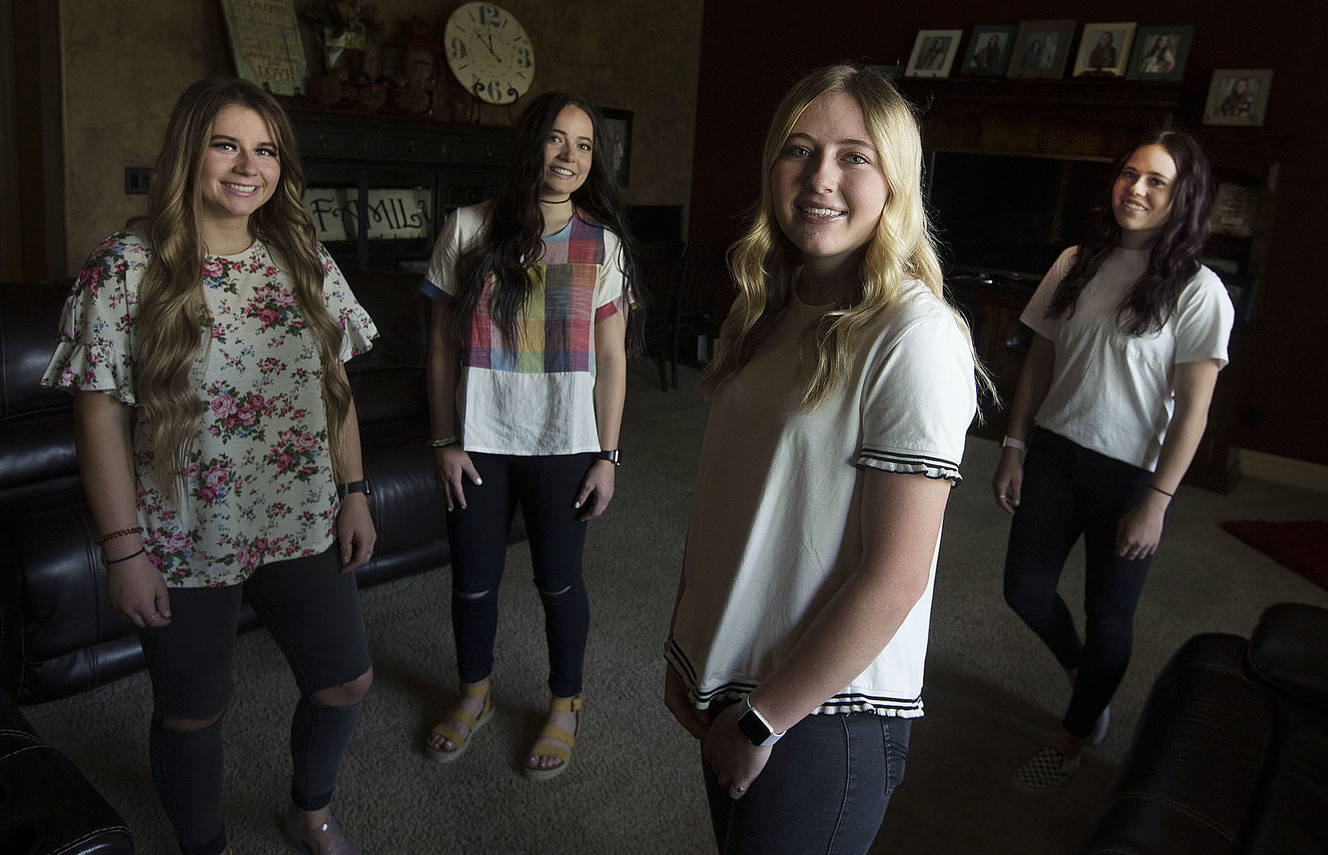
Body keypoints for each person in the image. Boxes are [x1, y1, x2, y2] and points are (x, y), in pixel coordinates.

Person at [43, 78, 378, 855]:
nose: (246, 166)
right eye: (226, 144)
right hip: (184, 530)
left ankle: (310, 808)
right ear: (190, 152)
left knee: (346, 680)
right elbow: (99, 416)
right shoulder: (125, 268)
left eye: (265, 149)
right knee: (194, 711)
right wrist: (123, 548)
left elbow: (335, 392)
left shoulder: (306, 259)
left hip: (302, 515)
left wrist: (355, 491)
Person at [664, 64, 981, 853]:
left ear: (896, 179)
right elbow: (732, 499)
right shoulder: (767, 302)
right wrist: (688, 639)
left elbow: (895, 577)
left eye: (854, 156)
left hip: (825, 711)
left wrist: (767, 716)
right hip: (739, 677)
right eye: (799, 150)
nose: (820, 178)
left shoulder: (916, 337)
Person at [993, 130, 1233, 794]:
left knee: (1109, 618)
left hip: (1129, 477)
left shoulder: (1198, 289)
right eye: (1130, 174)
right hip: (1054, 454)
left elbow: (1192, 413)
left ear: (1182, 196)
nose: (1137, 188)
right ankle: (1082, 677)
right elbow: (1038, 358)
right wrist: (1015, 445)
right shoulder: (1076, 261)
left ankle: (1073, 737)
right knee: (1025, 590)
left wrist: (1156, 501)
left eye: (1157, 180)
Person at [420, 91, 633, 781]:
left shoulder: (602, 243)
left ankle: (564, 703)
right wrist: (444, 439)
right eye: (555, 139)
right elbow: (441, 351)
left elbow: (613, 357)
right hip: (478, 441)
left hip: (565, 444)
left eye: (583, 144)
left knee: (558, 582)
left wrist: (607, 453)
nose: (568, 156)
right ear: (529, 145)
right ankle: (474, 695)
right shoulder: (468, 228)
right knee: (474, 583)